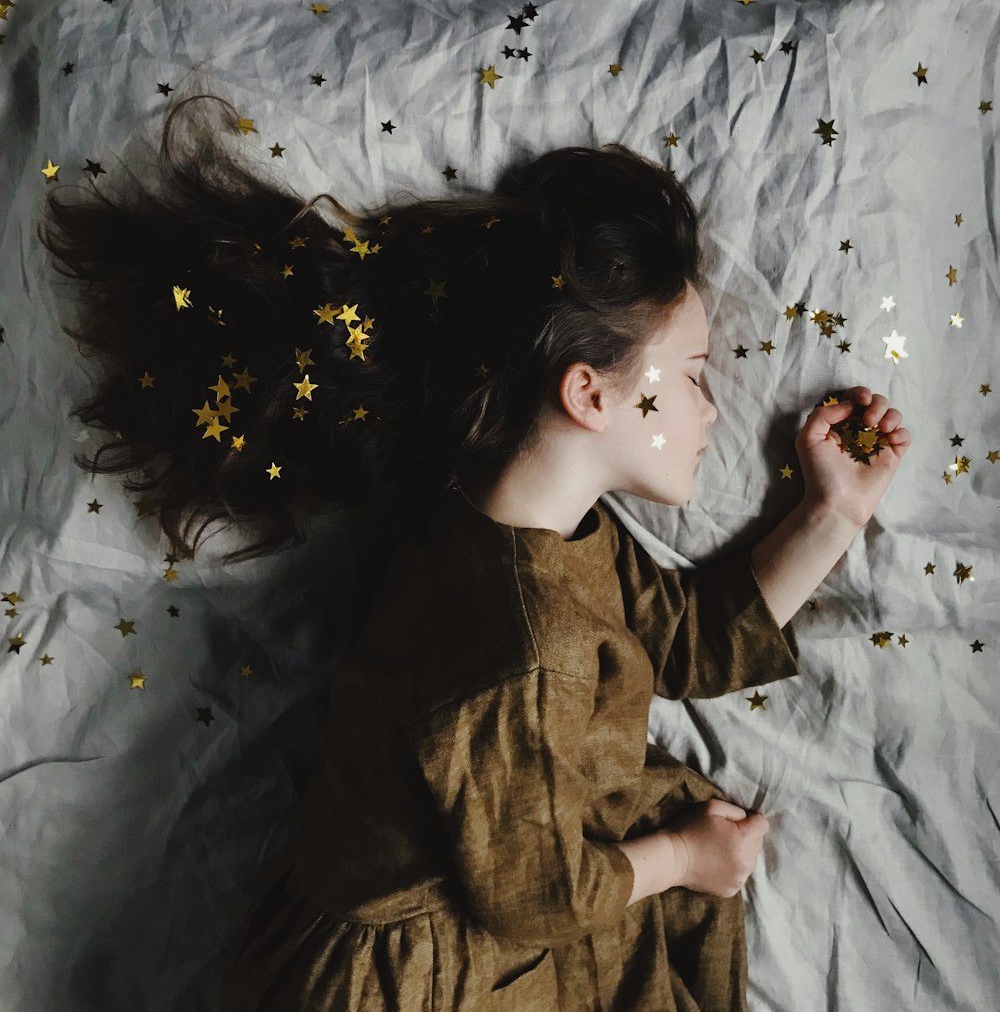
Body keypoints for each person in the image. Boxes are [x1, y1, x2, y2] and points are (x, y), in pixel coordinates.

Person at [37, 91, 911, 1010]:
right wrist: (689, 857)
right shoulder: (518, 645)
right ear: (590, 394)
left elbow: (684, 638)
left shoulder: (527, 526)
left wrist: (832, 511)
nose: (712, 412)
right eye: (692, 380)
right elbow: (539, 895)